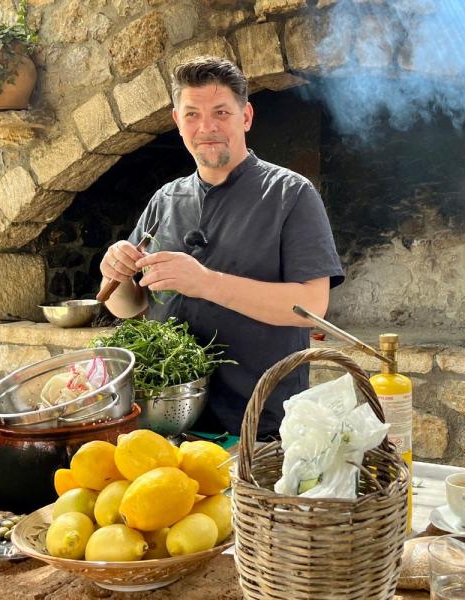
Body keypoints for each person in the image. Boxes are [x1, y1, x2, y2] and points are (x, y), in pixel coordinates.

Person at [100, 56, 344, 439]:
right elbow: (129, 307)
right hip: (168, 421)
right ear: (177, 121)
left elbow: (312, 309)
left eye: (221, 112)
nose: (207, 127)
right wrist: (115, 274)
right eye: (192, 114)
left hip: (260, 425)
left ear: (245, 117)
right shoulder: (165, 199)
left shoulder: (291, 194)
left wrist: (205, 282)